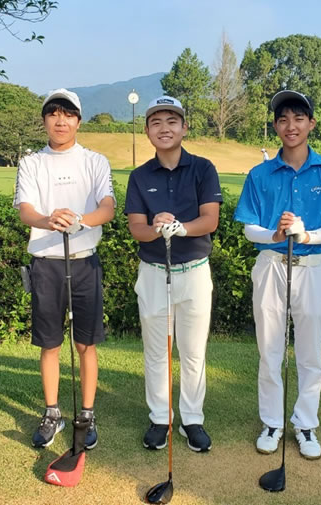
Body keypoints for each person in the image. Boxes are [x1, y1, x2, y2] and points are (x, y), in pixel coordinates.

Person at [233, 90, 321, 460]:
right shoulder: (260, 174)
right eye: (283, 119)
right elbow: (249, 229)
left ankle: (305, 424)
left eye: (299, 118)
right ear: (275, 126)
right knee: (269, 351)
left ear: (311, 124)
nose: (291, 126)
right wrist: (275, 234)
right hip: (272, 265)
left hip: (313, 268)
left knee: (309, 353)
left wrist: (305, 236)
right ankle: (272, 422)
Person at [13, 88, 115, 450]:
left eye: (68, 114)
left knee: (86, 343)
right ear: (44, 120)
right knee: (50, 344)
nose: (61, 121)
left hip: (85, 260)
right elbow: (25, 209)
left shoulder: (94, 161)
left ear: (78, 121)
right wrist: (48, 220)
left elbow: (107, 207)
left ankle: (86, 414)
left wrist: (80, 221)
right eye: (53, 114)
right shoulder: (32, 163)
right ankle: (52, 412)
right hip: (46, 263)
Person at [124, 96, 221, 453]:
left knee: (193, 351)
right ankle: (160, 418)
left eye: (171, 121)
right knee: (157, 351)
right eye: (156, 122)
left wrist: (180, 228)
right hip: (153, 272)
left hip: (194, 271)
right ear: (147, 130)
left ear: (184, 127)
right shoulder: (139, 176)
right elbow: (136, 228)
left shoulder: (203, 169)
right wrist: (156, 227)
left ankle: (192, 419)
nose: (164, 128)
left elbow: (210, 220)